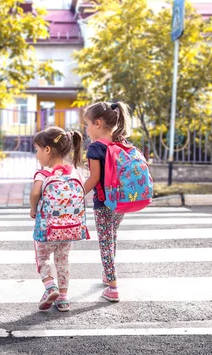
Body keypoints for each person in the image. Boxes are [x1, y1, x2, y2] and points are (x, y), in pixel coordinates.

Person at [30, 126, 85, 312]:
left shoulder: (43, 174)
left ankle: (49, 286)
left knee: (42, 257)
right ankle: (63, 298)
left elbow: (35, 193)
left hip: (47, 229)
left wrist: (33, 209)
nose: (36, 155)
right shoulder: (75, 173)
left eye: (37, 150)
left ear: (47, 150)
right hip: (70, 228)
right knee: (63, 260)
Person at [83, 101, 131, 302]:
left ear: (97, 123)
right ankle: (107, 274)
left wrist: (76, 195)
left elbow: (94, 179)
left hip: (103, 202)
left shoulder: (95, 148)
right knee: (112, 236)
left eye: (86, 124)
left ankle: (113, 287)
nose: (85, 129)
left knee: (105, 241)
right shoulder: (121, 142)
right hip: (121, 201)